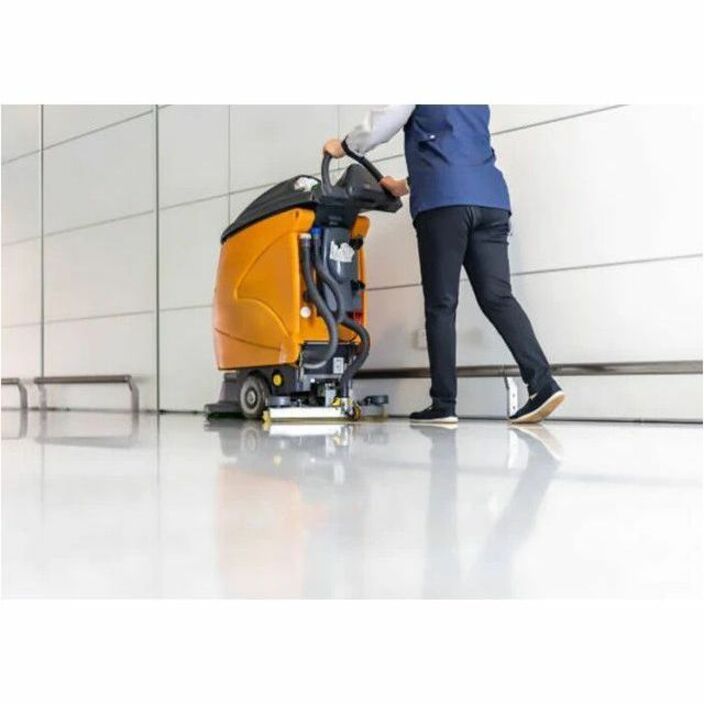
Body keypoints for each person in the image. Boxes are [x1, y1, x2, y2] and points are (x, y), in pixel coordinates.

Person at [323, 105, 565, 424]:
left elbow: (385, 120)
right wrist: (403, 186)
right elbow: (457, 149)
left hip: (444, 203)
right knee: (498, 298)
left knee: (441, 305)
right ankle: (543, 384)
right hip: (491, 200)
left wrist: (345, 145)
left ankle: (443, 404)